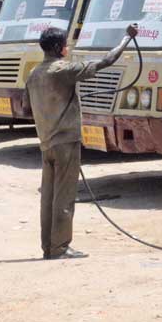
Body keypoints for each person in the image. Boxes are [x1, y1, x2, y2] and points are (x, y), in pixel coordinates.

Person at [24, 24, 138, 259]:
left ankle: (48, 246)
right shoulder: (61, 70)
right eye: (65, 43)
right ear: (57, 47)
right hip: (65, 142)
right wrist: (127, 39)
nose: (67, 47)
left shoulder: (34, 74)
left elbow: (27, 108)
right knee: (64, 197)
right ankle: (60, 247)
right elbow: (105, 62)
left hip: (46, 143)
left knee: (48, 197)